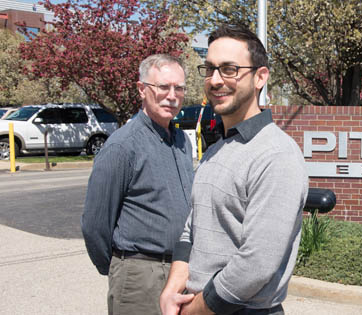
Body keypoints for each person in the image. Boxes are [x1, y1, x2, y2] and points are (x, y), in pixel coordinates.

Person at [160, 24, 308, 315]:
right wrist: (171, 290)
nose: (216, 80)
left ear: (260, 77)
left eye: (229, 69)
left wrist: (195, 310)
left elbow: (256, 263)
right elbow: (193, 228)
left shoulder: (277, 155)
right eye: (210, 68)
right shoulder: (217, 150)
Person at [81, 54, 194, 315]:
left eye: (179, 88)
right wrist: (121, 268)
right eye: (163, 87)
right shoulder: (123, 146)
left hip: (182, 273)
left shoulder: (181, 142)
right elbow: (95, 224)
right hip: (140, 276)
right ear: (142, 89)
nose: (172, 95)